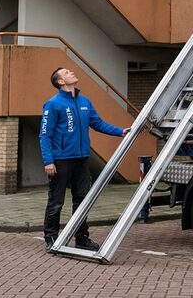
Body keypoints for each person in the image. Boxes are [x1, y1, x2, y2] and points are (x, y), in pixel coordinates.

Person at [40, 67, 127, 251]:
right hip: (61, 160)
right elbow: (45, 135)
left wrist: (121, 132)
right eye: (66, 73)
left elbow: (98, 124)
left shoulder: (84, 101)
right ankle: (51, 237)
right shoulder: (53, 104)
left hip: (81, 160)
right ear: (60, 82)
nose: (71, 72)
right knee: (56, 201)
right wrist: (48, 161)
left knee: (82, 200)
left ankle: (81, 238)